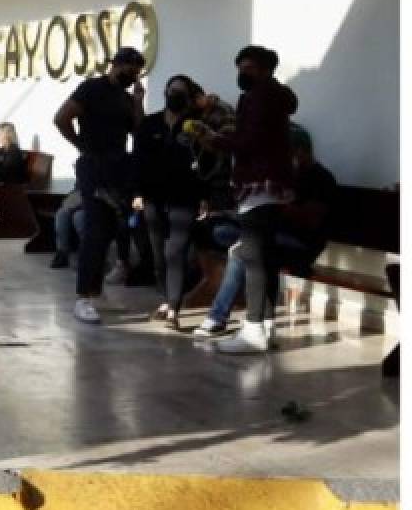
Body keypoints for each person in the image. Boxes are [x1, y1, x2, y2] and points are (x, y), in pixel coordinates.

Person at [189, 45, 298, 353]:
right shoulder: (278, 96)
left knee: (252, 256)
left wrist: (213, 139)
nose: (241, 74)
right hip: (277, 185)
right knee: (266, 256)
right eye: (240, 67)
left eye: (248, 68)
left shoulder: (256, 97)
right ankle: (265, 323)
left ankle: (252, 330)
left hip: (258, 184)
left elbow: (248, 142)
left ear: (265, 69)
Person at [195, 125, 336, 338]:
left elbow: (311, 221)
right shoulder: (286, 175)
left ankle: (218, 318)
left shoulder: (321, 179)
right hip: (271, 232)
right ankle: (260, 317)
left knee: (242, 251)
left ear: (300, 151)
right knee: (219, 230)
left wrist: (276, 205)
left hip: (301, 242)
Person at [54, 47, 146, 323]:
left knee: (110, 230)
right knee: (94, 230)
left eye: (137, 73)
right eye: (129, 71)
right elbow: (61, 118)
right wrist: (82, 145)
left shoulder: (126, 97)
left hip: (119, 167)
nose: (132, 76)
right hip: (94, 167)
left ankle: (97, 292)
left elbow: (137, 131)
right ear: (115, 65)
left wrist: (139, 100)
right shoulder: (91, 88)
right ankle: (83, 297)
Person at [131, 74, 207, 328]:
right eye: (172, 90)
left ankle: (174, 308)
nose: (175, 95)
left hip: (184, 198)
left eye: (181, 92)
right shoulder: (151, 123)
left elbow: (206, 162)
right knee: (158, 254)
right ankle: (166, 299)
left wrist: (205, 197)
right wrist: (137, 193)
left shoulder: (196, 125)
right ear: (165, 92)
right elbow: (138, 159)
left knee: (176, 251)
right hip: (153, 197)